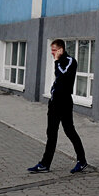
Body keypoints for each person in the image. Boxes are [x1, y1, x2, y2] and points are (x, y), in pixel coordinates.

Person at [28, 39, 88, 174]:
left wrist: (56, 61)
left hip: (64, 101)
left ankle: (82, 160)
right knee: (51, 133)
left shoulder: (70, 61)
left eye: (54, 50)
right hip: (54, 102)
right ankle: (45, 164)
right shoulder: (60, 62)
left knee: (69, 131)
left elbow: (62, 76)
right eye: (52, 50)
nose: (52, 53)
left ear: (61, 49)